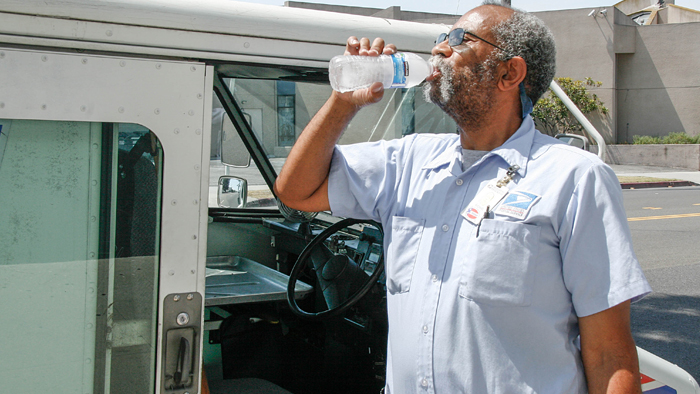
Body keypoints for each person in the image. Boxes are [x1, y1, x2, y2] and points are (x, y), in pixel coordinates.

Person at [274, 1, 651, 393]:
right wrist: (343, 102)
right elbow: (295, 191)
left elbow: (609, 353)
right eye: (440, 39)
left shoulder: (574, 178)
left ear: (510, 72)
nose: (438, 50)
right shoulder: (408, 160)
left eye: (458, 40)